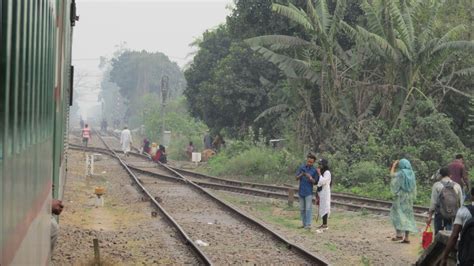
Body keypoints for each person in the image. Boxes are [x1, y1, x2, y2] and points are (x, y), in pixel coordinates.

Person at [440, 188, 474, 266]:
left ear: (472, 196)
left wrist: (444, 257)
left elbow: (454, 236)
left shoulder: (464, 211)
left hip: (466, 258)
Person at [426, 167, 463, 234]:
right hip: (453, 215)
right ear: (450, 175)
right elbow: (461, 203)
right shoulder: (457, 186)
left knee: (438, 235)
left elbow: (433, 203)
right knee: (451, 234)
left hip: (440, 214)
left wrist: (430, 216)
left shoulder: (437, 185)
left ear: (440, 175)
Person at [389, 158, 418, 243]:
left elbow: (392, 175)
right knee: (408, 216)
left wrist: (394, 166)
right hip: (409, 197)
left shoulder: (401, 173)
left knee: (397, 214)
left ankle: (399, 235)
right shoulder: (412, 173)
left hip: (400, 196)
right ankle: (407, 237)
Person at [295, 154, 318, 230]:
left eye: (311, 162)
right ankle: (304, 224)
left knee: (308, 209)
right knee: (302, 209)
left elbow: (315, 182)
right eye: (308, 161)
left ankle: (308, 225)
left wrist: (310, 178)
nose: (309, 163)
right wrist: (302, 174)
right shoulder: (302, 167)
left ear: (313, 162)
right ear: (307, 160)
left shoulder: (314, 170)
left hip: (308, 192)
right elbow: (296, 178)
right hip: (301, 191)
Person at [316, 158, 331, 229]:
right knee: (322, 207)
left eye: (321, 164)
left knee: (325, 207)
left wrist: (319, 174)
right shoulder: (323, 172)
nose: (319, 166)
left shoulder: (327, 172)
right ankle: (323, 223)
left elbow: (323, 182)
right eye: (319, 164)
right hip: (322, 193)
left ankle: (325, 224)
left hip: (325, 192)